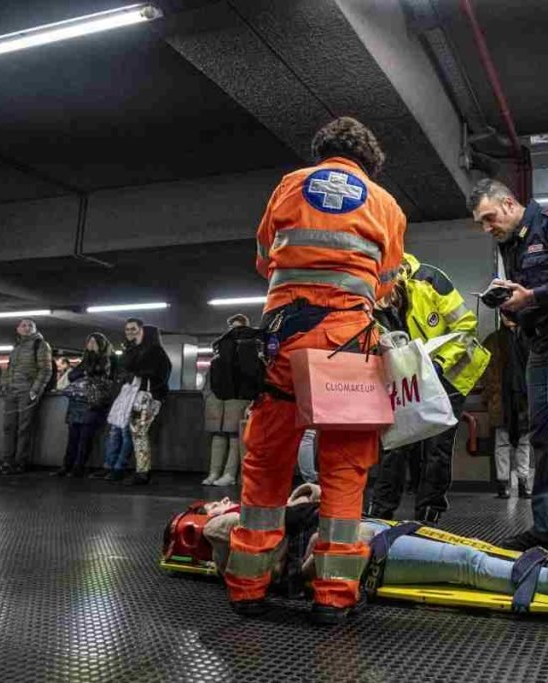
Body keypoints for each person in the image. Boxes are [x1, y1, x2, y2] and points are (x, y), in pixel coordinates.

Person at [224, 116, 406, 625]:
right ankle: (332, 595)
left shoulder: (289, 185)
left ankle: (248, 588)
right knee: (344, 469)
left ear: (320, 151)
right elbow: (387, 281)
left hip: (284, 341)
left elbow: (265, 258)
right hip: (349, 345)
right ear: (369, 161)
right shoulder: (385, 203)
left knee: (266, 465)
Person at [204, 487, 548, 606]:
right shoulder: (223, 533)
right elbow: (278, 571)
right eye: (214, 506)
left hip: (359, 532)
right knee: (466, 562)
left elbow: (277, 527)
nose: (221, 504)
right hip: (359, 552)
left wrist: (304, 498)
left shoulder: (252, 519)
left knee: (469, 548)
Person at [469, 180, 548, 553]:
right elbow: (528, 297)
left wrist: (534, 296)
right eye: (480, 222)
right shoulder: (510, 244)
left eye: (489, 218)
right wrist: (513, 301)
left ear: (509, 203)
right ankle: (547, 529)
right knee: (540, 434)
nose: (486, 228)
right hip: (537, 345)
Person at [367, 253, 490, 524]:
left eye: (388, 300)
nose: (385, 307)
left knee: (437, 447)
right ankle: (381, 511)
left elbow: (466, 327)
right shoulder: (371, 306)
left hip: (450, 373)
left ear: (394, 281)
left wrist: (439, 363)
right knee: (396, 443)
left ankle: (429, 513)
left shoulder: (430, 280)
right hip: (410, 378)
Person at [202, 314, 255, 487]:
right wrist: (208, 395)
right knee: (218, 435)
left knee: (234, 437)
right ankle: (214, 473)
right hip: (218, 400)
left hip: (237, 399)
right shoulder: (221, 350)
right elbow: (209, 377)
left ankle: (229, 474)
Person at [53, 333, 116, 478]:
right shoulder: (85, 360)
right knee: (73, 436)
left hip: (94, 402)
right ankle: (67, 465)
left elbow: (104, 375)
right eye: (90, 342)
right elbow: (72, 375)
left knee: (85, 437)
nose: (91, 345)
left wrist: (87, 372)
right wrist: (87, 372)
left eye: (95, 342)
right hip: (79, 402)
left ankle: (78, 466)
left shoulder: (109, 360)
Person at [483, 315, 532, 499]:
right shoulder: (493, 340)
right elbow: (484, 369)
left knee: (523, 442)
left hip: (522, 397)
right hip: (502, 397)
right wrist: (490, 393)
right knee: (503, 441)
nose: (508, 317)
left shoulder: (527, 337)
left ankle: (522, 481)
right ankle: (503, 483)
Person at [0, 318, 53, 475]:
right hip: (12, 391)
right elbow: (9, 368)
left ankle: (20, 462)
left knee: (24, 428)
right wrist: (4, 385)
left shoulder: (41, 345)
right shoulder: (17, 347)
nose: (27, 327)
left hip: (27, 392)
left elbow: (46, 370)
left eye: (30, 325)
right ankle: (7, 460)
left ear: (35, 329)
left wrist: (35, 390)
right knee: (9, 427)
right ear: (18, 329)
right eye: (23, 325)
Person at [94, 318, 142, 481]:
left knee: (125, 433)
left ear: (140, 330)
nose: (129, 332)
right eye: (127, 329)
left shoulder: (142, 350)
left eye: (133, 329)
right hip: (121, 394)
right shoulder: (127, 349)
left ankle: (118, 467)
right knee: (115, 432)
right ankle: (110, 465)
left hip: (133, 394)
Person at [124, 324, 171, 486]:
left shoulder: (152, 353)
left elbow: (143, 371)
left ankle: (142, 471)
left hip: (144, 398)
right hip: (151, 398)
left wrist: (137, 372)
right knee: (140, 434)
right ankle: (143, 470)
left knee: (139, 434)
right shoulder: (160, 353)